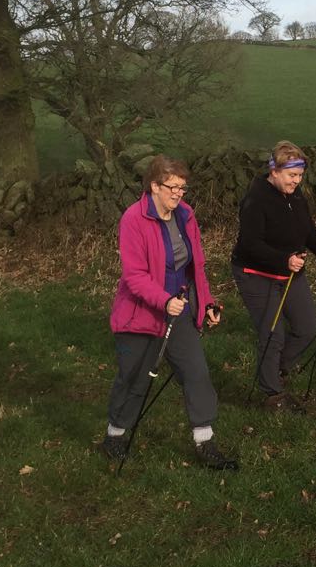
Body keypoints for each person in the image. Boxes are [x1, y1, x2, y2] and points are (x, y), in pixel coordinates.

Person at [102, 155, 238, 470]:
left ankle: (205, 441)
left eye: (182, 188)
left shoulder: (185, 215)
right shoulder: (133, 219)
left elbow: (196, 267)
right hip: (140, 314)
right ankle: (114, 435)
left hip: (178, 311)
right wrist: (163, 301)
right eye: (172, 187)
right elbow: (134, 276)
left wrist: (206, 305)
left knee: (196, 372)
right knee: (134, 378)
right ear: (154, 186)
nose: (178, 193)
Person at [231, 140, 316, 410]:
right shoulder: (256, 199)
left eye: (300, 176)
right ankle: (272, 394)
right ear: (275, 171)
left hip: (290, 271)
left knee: (308, 328)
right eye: (292, 175)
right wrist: (284, 259)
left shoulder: (295, 195)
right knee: (273, 334)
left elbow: (308, 230)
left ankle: (278, 368)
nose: (297, 181)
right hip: (255, 273)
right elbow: (251, 243)